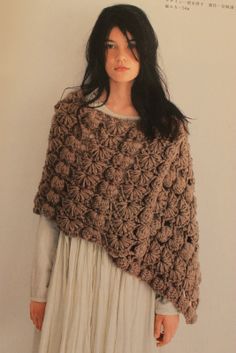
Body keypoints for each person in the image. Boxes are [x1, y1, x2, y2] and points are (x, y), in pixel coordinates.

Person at [29, 4, 201, 353]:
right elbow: (50, 212)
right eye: (110, 46)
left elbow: (174, 228)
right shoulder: (72, 117)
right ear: (98, 52)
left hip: (129, 284)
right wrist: (39, 291)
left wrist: (166, 307)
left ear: (146, 51)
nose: (121, 55)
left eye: (131, 44)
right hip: (71, 276)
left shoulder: (166, 132)